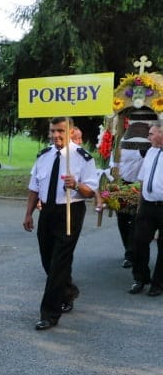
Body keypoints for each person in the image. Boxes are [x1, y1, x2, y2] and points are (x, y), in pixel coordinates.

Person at [23, 117, 98, 330]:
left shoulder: (83, 158)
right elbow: (34, 187)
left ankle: (49, 313)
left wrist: (77, 185)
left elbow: (90, 191)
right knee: (48, 259)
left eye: (61, 131)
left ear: (71, 131)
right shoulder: (44, 156)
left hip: (70, 210)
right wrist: (28, 213)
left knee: (59, 263)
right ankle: (67, 290)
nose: (56, 135)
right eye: (53, 131)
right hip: (47, 211)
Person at [129, 123, 163, 297]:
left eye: (151, 134)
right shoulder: (150, 152)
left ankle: (158, 283)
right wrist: (140, 204)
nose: (148, 138)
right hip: (148, 204)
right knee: (139, 241)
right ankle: (141, 278)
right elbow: (143, 178)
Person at [114, 148, 145, 268]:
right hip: (121, 185)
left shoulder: (145, 148)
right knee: (121, 218)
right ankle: (128, 248)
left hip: (139, 185)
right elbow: (114, 164)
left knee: (135, 219)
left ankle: (130, 254)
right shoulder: (119, 146)